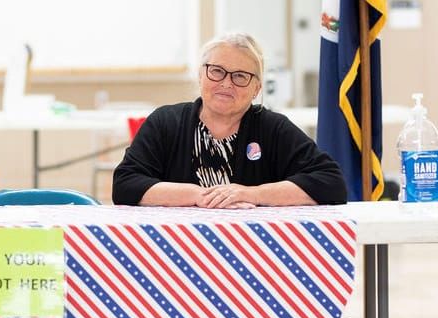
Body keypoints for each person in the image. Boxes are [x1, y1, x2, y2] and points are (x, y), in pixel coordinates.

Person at [113, 33, 346, 208]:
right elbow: (125, 184)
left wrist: (251, 194)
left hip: (255, 252)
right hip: (173, 250)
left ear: (257, 88)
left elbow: (331, 184)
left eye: (240, 76)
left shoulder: (273, 128)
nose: (226, 83)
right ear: (200, 75)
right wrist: (199, 196)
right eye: (216, 71)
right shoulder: (165, 122)